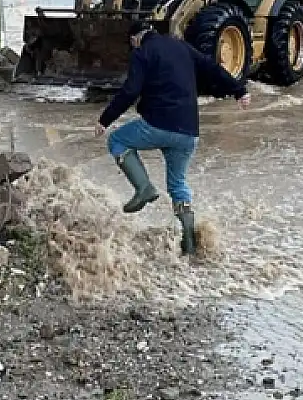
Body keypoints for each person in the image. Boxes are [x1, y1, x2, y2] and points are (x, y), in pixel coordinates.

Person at [94, 21, 251, 256]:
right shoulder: (181, 46)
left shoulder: (142, 52)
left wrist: (104, 120)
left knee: (117, 140)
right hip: (188, 132)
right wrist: (239, 89)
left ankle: (144, 188)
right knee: (177, 185)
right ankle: (188, 243)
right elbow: (211, 67)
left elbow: (130, 90)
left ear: (136, 38)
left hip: (157, 125)